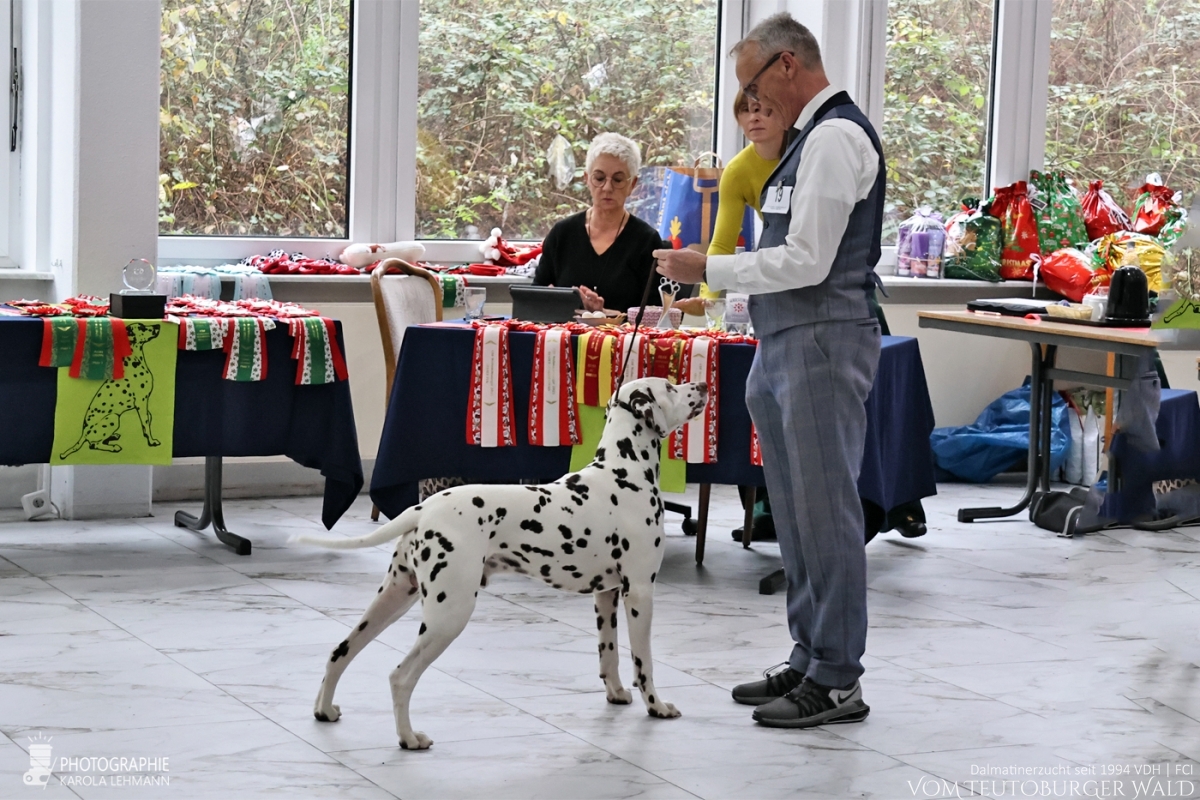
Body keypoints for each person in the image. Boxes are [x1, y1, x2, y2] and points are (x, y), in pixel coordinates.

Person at [655, 12, 884, 729]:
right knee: (793, 510)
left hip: (823, 338)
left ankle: (838, 678)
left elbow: (808, 260)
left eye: (752, 84)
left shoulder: (836, 138)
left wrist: (709, 268)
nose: (751, 101)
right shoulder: (801, 143)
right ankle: (810, 653)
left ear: (788, 65)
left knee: (826, 511)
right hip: (783, 340)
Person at [533, 132, 662, 313]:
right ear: (587, 179)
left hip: (622, 332)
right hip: (563, 331)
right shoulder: (562, 234)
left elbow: (655, 314)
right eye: (599, 178)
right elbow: (533, 300)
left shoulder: (647, 241)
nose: (607, 188)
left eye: (618, 180)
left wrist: (605, 316)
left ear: (632, 185)